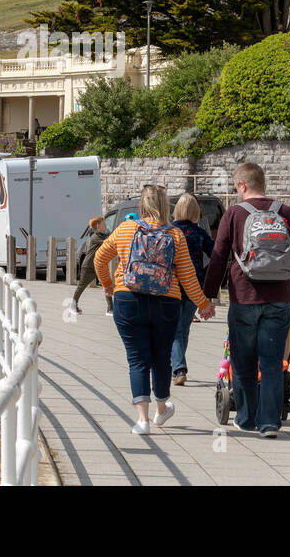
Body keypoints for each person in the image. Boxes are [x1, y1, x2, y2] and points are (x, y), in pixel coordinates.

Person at [95, 184, 215, 435]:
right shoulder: (175, 235)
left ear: (142, 204)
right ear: (164, 206)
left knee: (137, 358)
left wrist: (108, 285)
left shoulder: (126, 228)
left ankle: (143, 420)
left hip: (128, 299)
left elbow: (100, 259)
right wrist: (203, 305)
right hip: (166, 302)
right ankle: (162, 409)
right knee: (161, 357)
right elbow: (188, 277)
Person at [203, 162, 290, 439]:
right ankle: (270, 423)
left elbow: (218, 258)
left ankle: (247, 419)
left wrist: (208, 297)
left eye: (235, 187)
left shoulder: (235, 214)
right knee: (272, 363)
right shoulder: (285, 212)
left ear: (242, 185)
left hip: (244, 299)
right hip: (278, 300)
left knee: (243, 361)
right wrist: (286, 280)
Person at [170, 193, 214, 386]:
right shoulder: (200, 233)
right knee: (184, 328)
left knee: (174, 330)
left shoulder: (170, 231)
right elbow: (215, 254)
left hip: (173, 285)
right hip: (195, 286)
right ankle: (177, 367)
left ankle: (179, 368)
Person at [70, 215, 111, 314]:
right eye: (103, 224)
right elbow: (108, 242)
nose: (105, 225)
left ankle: (111, 309)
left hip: (98, 265)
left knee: (107, 284)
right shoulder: (95, 237)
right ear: (98, 226)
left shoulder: (102, 235)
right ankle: (73, 306)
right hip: (88, 266)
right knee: (81, 286)